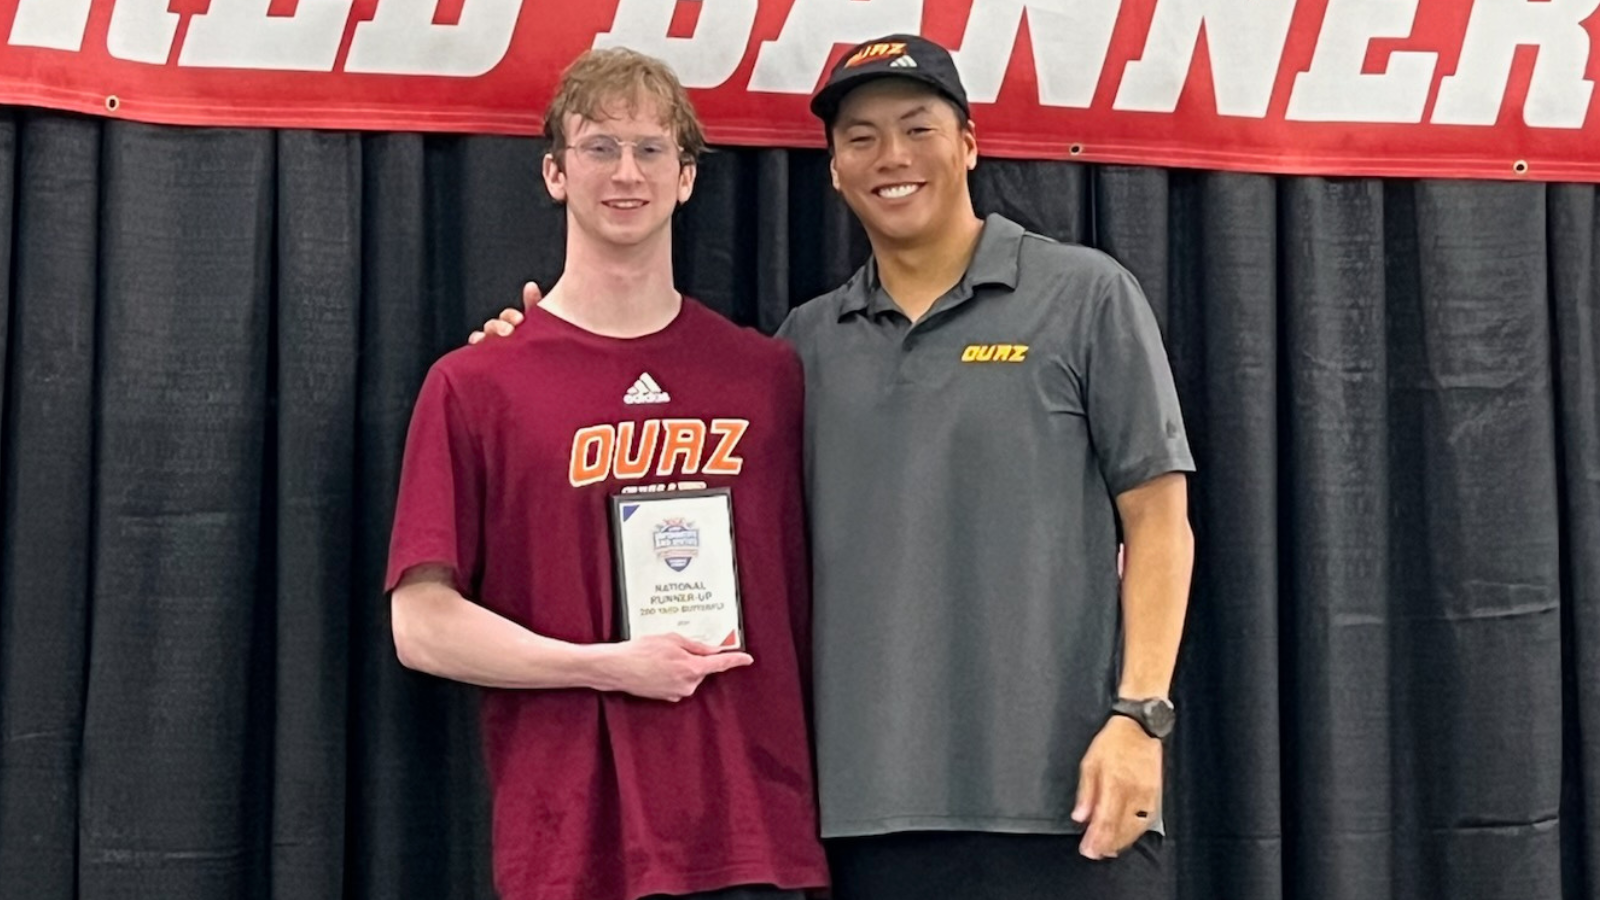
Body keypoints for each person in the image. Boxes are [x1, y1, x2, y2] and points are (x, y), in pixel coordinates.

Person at [478, 34, 1194, 900]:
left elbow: (1159, 519)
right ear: (833, 171)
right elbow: (657, 421)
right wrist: (536, 351)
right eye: (861, 138)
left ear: (969, 145)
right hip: (858, 817)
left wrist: (1140, 716)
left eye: (918, 128)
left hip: (1066, 801)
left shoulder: (1084, 296)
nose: (892, 156)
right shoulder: (799, 351)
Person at [389, 47, 829, 900]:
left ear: (686, 177)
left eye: (651, 148)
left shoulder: (769, 377)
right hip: (573, 843)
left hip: (752, 836)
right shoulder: (476, 385)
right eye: (599, 147)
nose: (626, 173)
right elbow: (422, 626)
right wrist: (606, 665)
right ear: (555, 173)